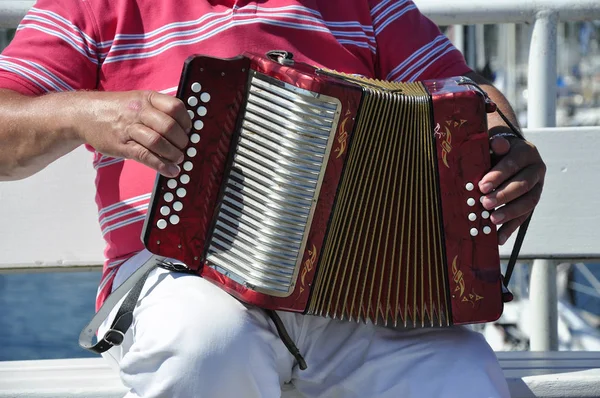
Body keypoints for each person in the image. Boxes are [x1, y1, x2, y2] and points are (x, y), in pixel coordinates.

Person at [0, 0, 546, 397]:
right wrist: (83, 114)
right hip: (181, 275)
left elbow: (467, 99)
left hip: (360, 287)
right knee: (206, 341)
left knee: (460, 372)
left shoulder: (367, 6)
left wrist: (503, 146)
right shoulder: (94, 5)